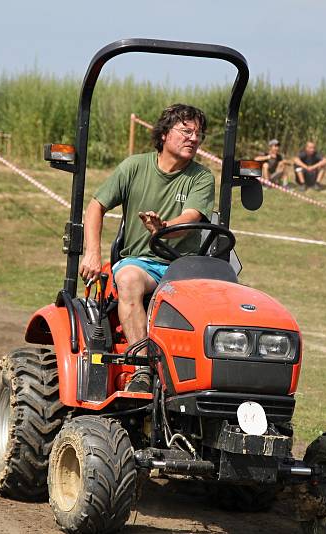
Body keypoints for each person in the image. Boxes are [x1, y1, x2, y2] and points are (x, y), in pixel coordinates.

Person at [79, 103, 215, 392]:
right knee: (127, 278)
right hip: (142, 264)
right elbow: (95, 206)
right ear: (164, 134)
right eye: (186, 131)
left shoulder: (201, 177)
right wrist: (92, 252)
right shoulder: (134, 167)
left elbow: (192, 218)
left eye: (198, 133)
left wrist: (165, 228)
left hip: (184, 267)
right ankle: (142, 369)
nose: (194, 138)